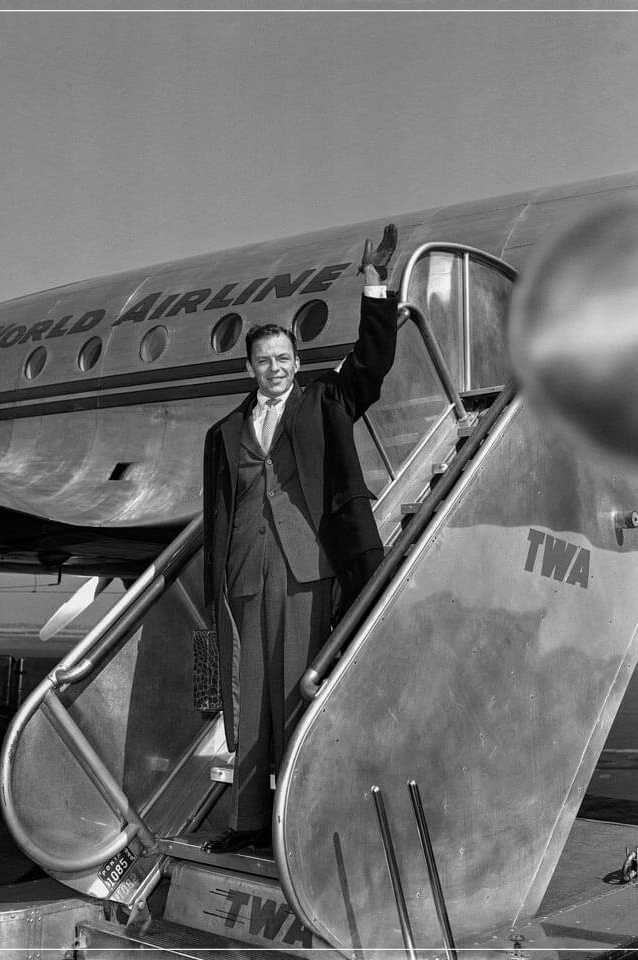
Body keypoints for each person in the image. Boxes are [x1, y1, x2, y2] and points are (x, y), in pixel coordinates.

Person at [201, 225, 399, 853]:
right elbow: (218, 512)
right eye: (264, 360)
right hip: (247, 574)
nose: (276, 368)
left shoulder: (324, 402)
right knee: (248, 702)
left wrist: (374, 286)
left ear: (297, 362)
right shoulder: (223, 432)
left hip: (311, 568)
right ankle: (248, 821)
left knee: (297, 696)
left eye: (284, 359)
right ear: (250, 367)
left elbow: (372, 364)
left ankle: (297, 820)